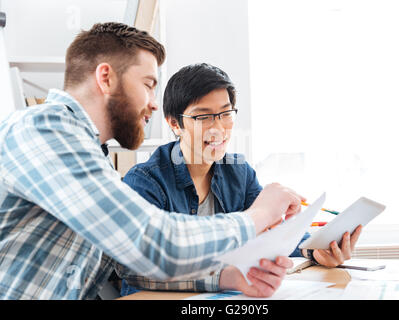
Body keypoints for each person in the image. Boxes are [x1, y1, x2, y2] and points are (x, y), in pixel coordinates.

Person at [0, 23, 304, 299]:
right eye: (148, 84)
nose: (153, 103)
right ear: (105, 78)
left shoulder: (93, 157)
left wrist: (226, 277)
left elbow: (135, 263)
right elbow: (155, 242)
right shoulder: (43, 129)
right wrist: (260, 213)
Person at [120, 63, 363, 296]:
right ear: (174, 124)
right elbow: (135, 271)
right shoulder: (146, 182)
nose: (218, 128)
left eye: (225, 114)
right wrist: (225, 277)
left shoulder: (238, 172)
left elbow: (273, 231)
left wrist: (313, 250)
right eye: (203, 117)